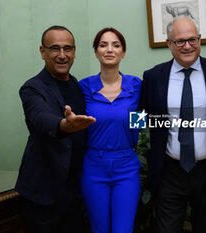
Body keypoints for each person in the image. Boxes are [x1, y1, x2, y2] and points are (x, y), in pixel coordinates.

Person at [140, 16, 206, 233]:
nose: (187, 46)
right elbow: (145, 118)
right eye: (180, 41)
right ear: (169, 44)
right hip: (169, 172)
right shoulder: (154, 77)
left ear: (200, 39)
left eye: (192, 39)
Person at [16, 25, 96, 233]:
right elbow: (40, 117)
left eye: (67, 48)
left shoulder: (78, 85)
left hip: (75, 191)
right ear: (43, 52)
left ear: (74, 52)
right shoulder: (32, 87)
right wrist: (64, 125)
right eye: (55, 48)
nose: (62, 55)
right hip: (44, 192)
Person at [79, 27, 142, 233]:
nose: (109, 49)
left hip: (127, 165)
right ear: (96, 51)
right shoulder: (83, 87)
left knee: (123, 229)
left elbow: (141, 118)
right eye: (103, 45)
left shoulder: (136, 85)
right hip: (93, 165)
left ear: (123, 52)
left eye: (116, 45)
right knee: (100, 229)